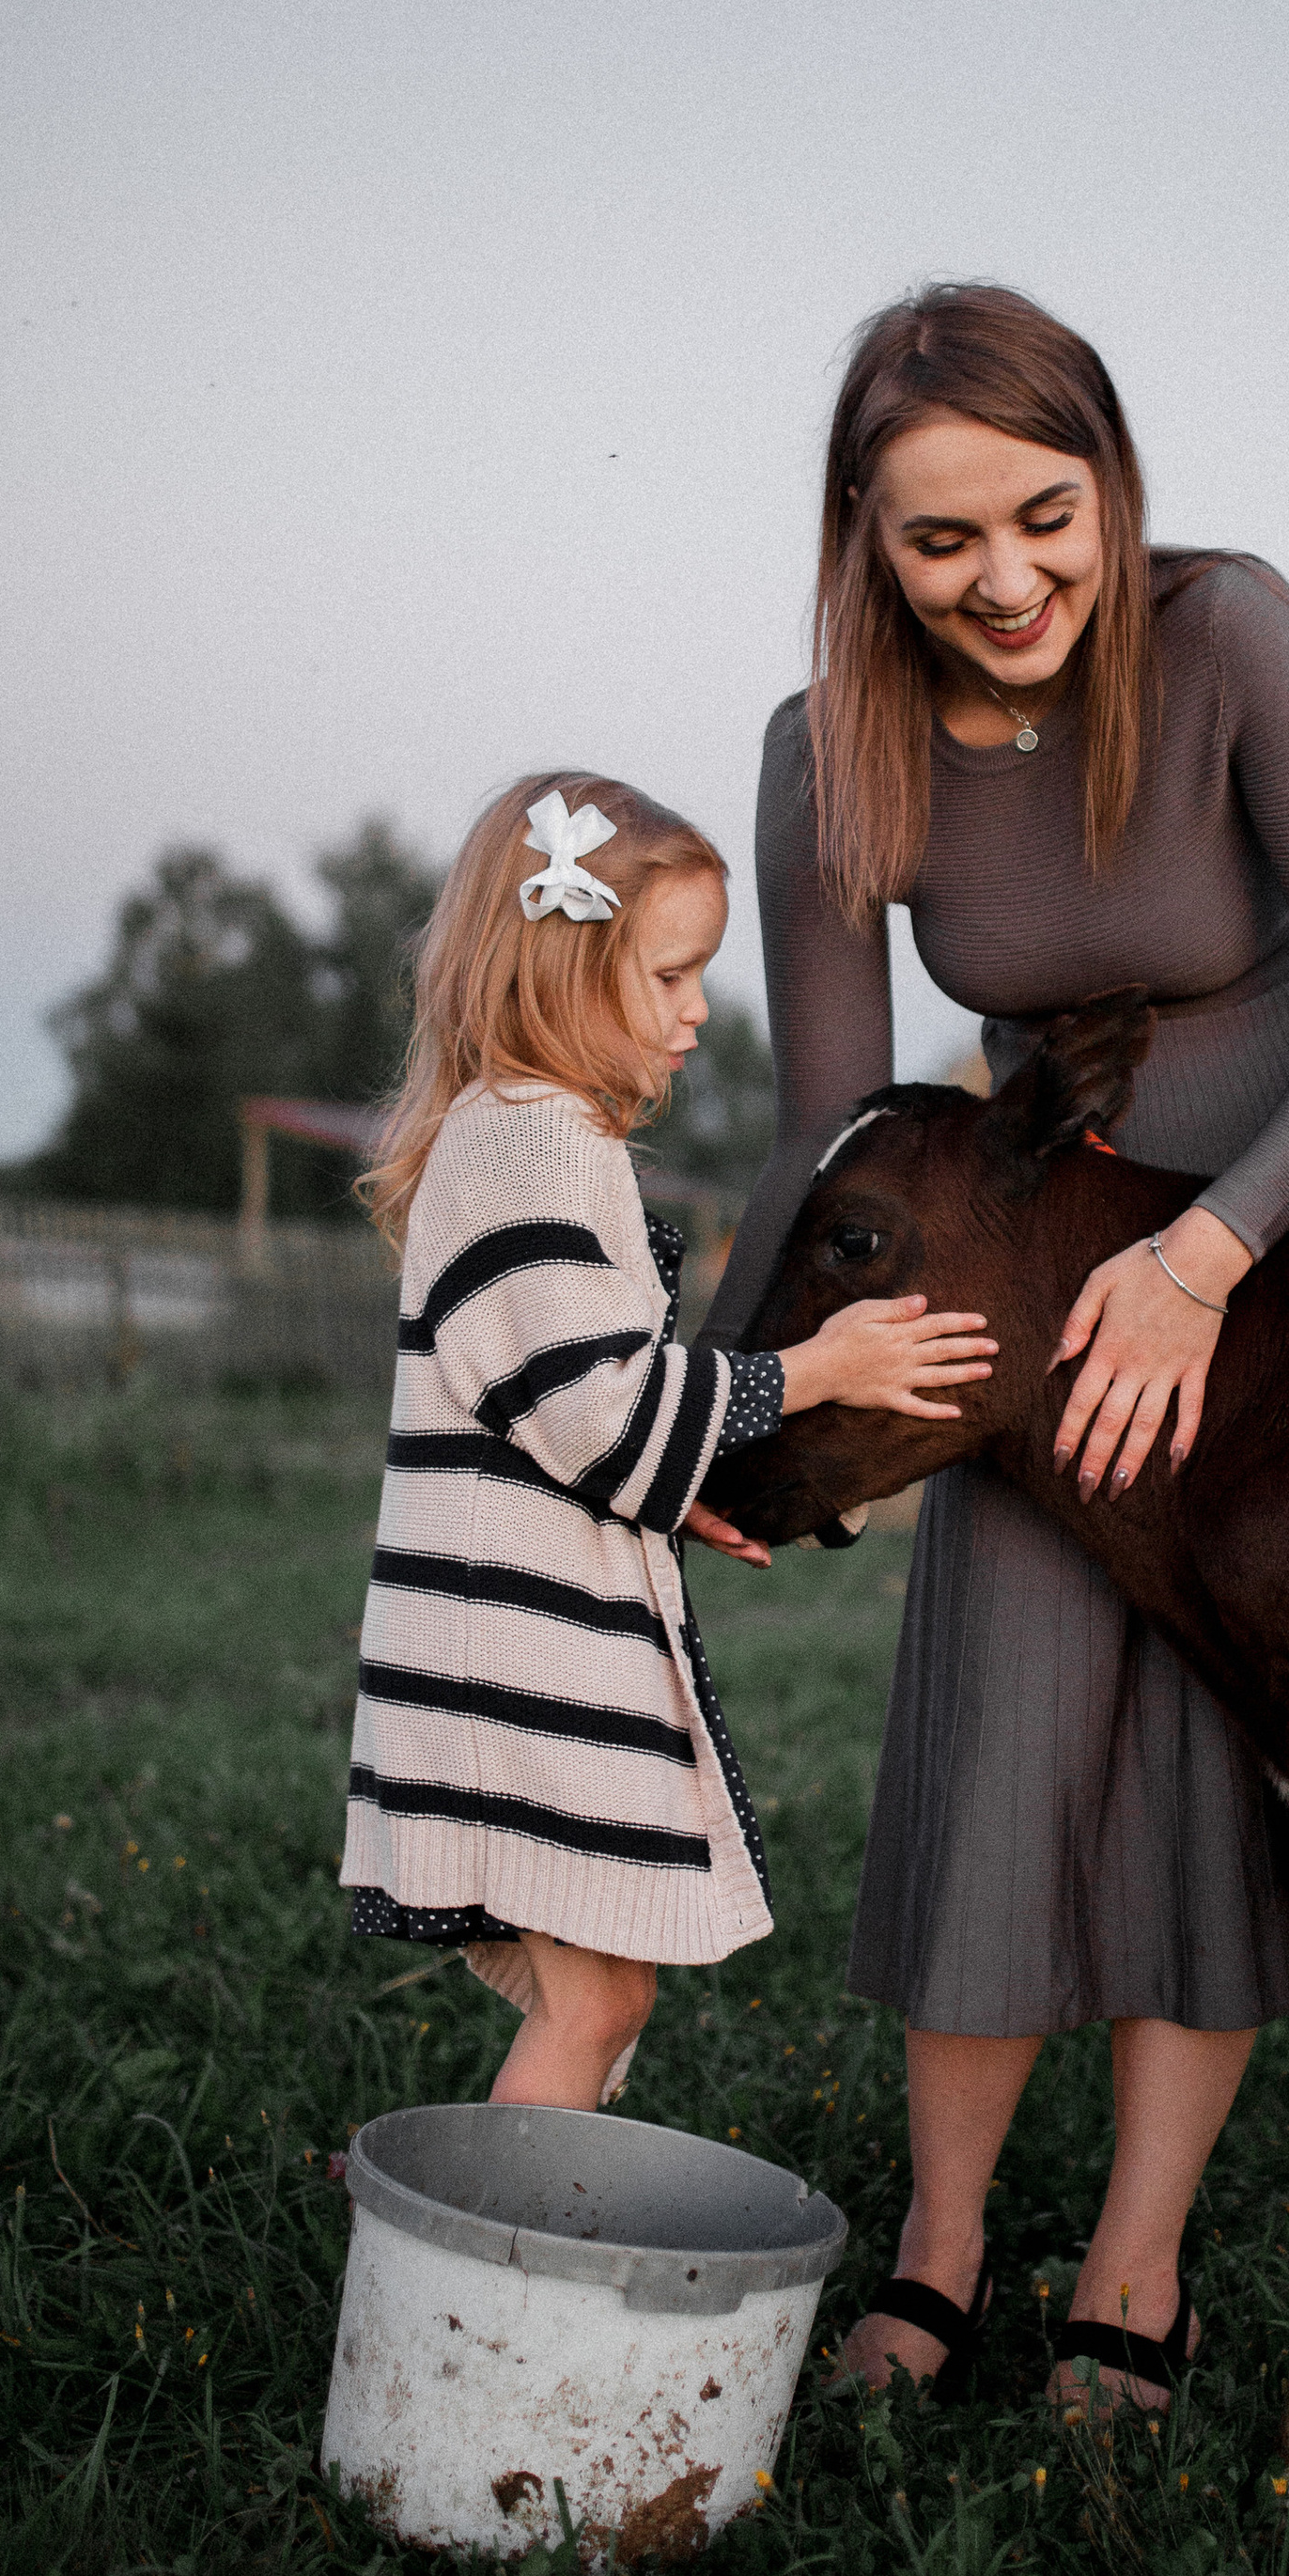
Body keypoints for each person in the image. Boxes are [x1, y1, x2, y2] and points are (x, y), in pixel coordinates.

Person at [698, 287, 1289, 2408]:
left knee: (1216, 1751)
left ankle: (1137, 2270)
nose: (1008, 580)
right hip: (1034, 1246)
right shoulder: (826, 752)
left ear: (1110, 484)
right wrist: (737, 1400)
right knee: (1002, 1715)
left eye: (1048, 516)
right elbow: (829, 1126)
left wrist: (1208, 1258)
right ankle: (938, 2253)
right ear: (864, 537)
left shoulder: (1230, 634)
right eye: (941, 540)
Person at [341, 768, 996, 2111]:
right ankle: (490, 2236)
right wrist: (815, 1369)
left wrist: (664, 1487)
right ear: (563, 975)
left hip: (505, 1639)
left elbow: (557, 1406)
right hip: (514, 1658)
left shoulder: (521, 1138)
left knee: (603, 1995)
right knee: (595, 1999)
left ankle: (513, 2209)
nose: (699, 1010)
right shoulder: (535, 1149)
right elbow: (600, 1410)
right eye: (670, 975)